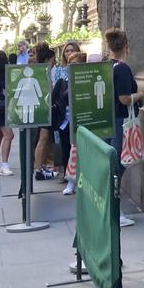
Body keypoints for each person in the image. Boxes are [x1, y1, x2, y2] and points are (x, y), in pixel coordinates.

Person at [105, 28, 144, 228]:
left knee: (113, 166)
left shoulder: (107, 66)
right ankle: (114, 211)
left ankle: (111, 209)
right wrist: (140, 94)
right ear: (126, 48)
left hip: (110, 120)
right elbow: (123, 98)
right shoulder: (122, 68)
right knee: (118, 167)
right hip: (122, 121)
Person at [52, 41, 81, 190]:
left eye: (72, 51)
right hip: (65, 119)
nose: (69, 53)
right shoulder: (61, 77)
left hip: (81, 118)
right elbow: (54, 97)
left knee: (78, 149)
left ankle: (75, 177)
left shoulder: (85, 77)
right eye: (67, 51)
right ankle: (67, 174)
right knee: (65, 147)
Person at [31, 42, 57, 179]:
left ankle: (40, 166)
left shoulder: (39, 71)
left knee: (44, 139)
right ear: (47, 60)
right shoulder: (43, 73)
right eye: (53, 60)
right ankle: (38, 169)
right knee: (43, 138)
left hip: (43, 108)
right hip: (44, 109)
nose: (55, 62)